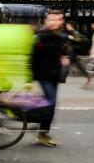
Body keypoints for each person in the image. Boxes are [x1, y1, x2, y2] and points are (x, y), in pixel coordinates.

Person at [31, 10, 72, 147]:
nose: (54, 22)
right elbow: (32, 55)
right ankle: (42, 132)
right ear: (46, 21)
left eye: (57, 19)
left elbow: (66, 52)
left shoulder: (62, 36)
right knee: (51, 103)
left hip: (55, 75)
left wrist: (66, 58)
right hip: (43, 75)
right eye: (51, 19)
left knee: (52, 104)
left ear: (61, 21)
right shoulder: (40, 36)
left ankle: (42, 131)